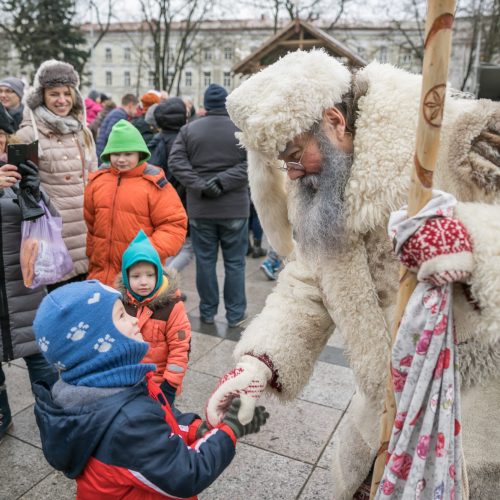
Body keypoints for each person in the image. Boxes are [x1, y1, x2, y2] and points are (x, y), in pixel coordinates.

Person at [203, 50, 500, 498]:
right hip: (382, 412)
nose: (292, 172)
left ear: (334, 120)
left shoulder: (459, 141)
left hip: (470, 410)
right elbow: (308, 280)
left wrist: (468, 239)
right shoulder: (317, 189)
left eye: (294, 154)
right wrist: (258, 364)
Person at [32, 279, 269, 498]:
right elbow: (186, 473)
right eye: (121, 316)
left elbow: (164, 422)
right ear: (97, 344)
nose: (134, 319)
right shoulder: (126, 421)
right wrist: (230, 430)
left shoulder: (119, 381)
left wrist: (200, 430)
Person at [0, 104, 58, 443]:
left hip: (24, 286)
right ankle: (2, 416)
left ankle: (55, 417)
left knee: (40, 359)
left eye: (1, 140)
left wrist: (36, 193)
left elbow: (50, 223)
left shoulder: (17, 172)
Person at [169, 84, 249, 328]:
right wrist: (222, 182)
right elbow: (253, 164)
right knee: (235, 263)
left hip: (201, 208)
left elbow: (176, 162)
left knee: (205, 261)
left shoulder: (188, 130)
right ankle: (235, 314)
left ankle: (207, 311)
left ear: (205, 104)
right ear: (227, 103)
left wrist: (202, 184)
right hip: (235, 206)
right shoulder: (242, 130)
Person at [16, 59, 97, 288]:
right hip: (52, 235)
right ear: (42, 96)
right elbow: (18, 188)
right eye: (54, 94)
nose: (62, 100)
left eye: (66, 93)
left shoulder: (82, 132)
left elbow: (93, 176)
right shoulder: (28, 135)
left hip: (85, 231)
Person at [84, 119, 187, 287]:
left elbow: (174, 226)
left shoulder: (154, 184)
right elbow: (92, 227)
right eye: (116, 154)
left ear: (139, 154)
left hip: (141, 277)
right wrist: (92, 260)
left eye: (128, 154)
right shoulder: (97, 182)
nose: (121, 159)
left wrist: (144, 252)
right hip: (101, 276)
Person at [117, 230, 191, 406]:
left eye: (150, 275)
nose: (144, 282)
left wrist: (170, 385)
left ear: (158, 273)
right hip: (129, 380)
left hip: (160, 383)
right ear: (126, 277)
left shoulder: (172, 306)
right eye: (136, 276)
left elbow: (180, 348)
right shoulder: (120, 303)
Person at [149, 97, 194, 274]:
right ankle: (164, 281)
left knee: (165, 245)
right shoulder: (185, 140)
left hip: (159, 199)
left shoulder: (156, 140)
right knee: (189, 247)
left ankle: (165, 283)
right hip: (182, 199)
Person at [95, 93, 138, 161]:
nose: (136, 111)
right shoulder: (119, 114)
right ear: (130, 105)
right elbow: (110, 135)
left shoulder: (118, 113)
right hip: (104, 154)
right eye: (136, 108)